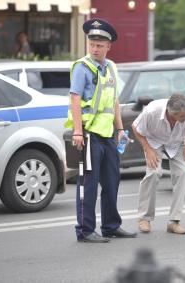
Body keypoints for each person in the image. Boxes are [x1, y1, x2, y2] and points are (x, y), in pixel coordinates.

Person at [65, 18, 137, 243]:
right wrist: (78, 131)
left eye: (99, 45)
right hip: (87, 134)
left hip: (108, 135)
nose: (95, 48)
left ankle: (110, 226)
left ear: (108, 46)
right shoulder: (82, 67)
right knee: (88, 184)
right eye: (92, 44)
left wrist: (120, 129)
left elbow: (114, 101)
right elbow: (75, 99)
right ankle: (85, 230)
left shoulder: (112, 67)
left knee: (112, 181)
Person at [132, 93, 185, 235]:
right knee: (154, 173)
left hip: (176, 141)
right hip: (153, 141)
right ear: (171, 113)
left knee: (184, 173)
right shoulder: (151, 111)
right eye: (181, 118)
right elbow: (136, 128)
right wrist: (147, 149)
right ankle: (144, 218)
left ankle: (174, 222)